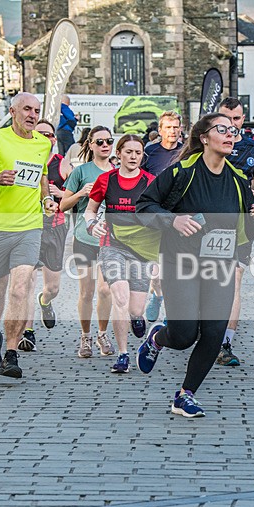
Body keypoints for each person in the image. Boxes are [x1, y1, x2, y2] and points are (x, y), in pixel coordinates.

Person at [135, 113, 254, 417]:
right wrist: (173, 220)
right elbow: (144, 206)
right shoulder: (182, 171)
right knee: (183, 337)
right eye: (222, 129)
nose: (230, 134)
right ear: (204, 138)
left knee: (213, 333)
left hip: (220, 264)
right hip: (180, 261)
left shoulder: (237, 178)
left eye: (233, 130)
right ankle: (157, 338)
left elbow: (247, 227)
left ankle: (185, 395)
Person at [0, 92, 57, 379]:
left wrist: (46, 200)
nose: (32, 114)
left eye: (36, 110)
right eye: (26, 109)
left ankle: (11, 353)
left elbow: (42, 176)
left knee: (20, 288)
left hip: (30, 227)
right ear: (13, 111)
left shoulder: (43, 144)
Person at [83, 134, 158, 373]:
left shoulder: (150, 181)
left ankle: (138, 318)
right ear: (119, 154)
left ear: (142, 155)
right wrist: (92, 225)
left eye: (138, 152)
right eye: (128, 152)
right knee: (120, 298)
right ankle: (123, 354)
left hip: (142, 249)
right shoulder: (106, 180)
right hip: (111, 245)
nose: (133, 156)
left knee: (135, 308)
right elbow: (89, 211)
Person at [217, 97, 254, 366]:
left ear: (243, 120)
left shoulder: (252, 148)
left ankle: (225, 343)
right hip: (208, 225)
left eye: (236, 119)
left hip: (239, 226)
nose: (231, 125)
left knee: (234, 282)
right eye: (226, 118)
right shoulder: (205, 143)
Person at [60, 126, 116, 358]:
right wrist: (81, 193)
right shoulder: (81, 171)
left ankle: (103, 334)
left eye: (109, 141)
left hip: (111, 241)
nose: (105, 145)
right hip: (84, 238)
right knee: (87, 292)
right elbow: (63, 206)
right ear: (90, 145)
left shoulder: (119, 172)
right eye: (99, 141)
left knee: (105, 290)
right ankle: (85, 337)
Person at [17, 120, 73, 352]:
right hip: (29, 227)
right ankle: (27, 332)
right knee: (27, 280)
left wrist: (61, 193)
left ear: (53, 139)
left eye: (50, 135)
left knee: (53, 287)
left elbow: (75, 195)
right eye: (40, 133)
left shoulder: (62, 165)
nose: (46, 138)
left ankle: (45, 302)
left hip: (56, 228)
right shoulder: (23, 162)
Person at [141, 110, 184, 323]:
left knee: (176, 268)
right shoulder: (150, 152)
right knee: (157, 271)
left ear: (181, 129)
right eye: (168, 127)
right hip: (157, 213)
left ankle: (172, 311)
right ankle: (157, 295)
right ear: (160, 130)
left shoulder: (187, 152)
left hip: (180, 215)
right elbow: (139, 179)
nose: (172, 131)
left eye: (175, 127)